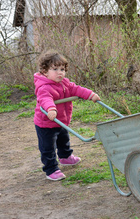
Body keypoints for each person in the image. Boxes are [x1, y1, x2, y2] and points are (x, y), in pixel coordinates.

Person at [33, 50, 100, 181]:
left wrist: (90, 94)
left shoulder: (65, 83)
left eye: (62, 69)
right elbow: (45, 99)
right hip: (46, 123)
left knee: (63, 140)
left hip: (61, 121)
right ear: (45, 72)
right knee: (48, 147)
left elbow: (77, 89)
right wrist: (51, 109)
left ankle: (65, 157)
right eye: (55, 69)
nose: (60, 72)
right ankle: (51, 169)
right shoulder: (44, 87)